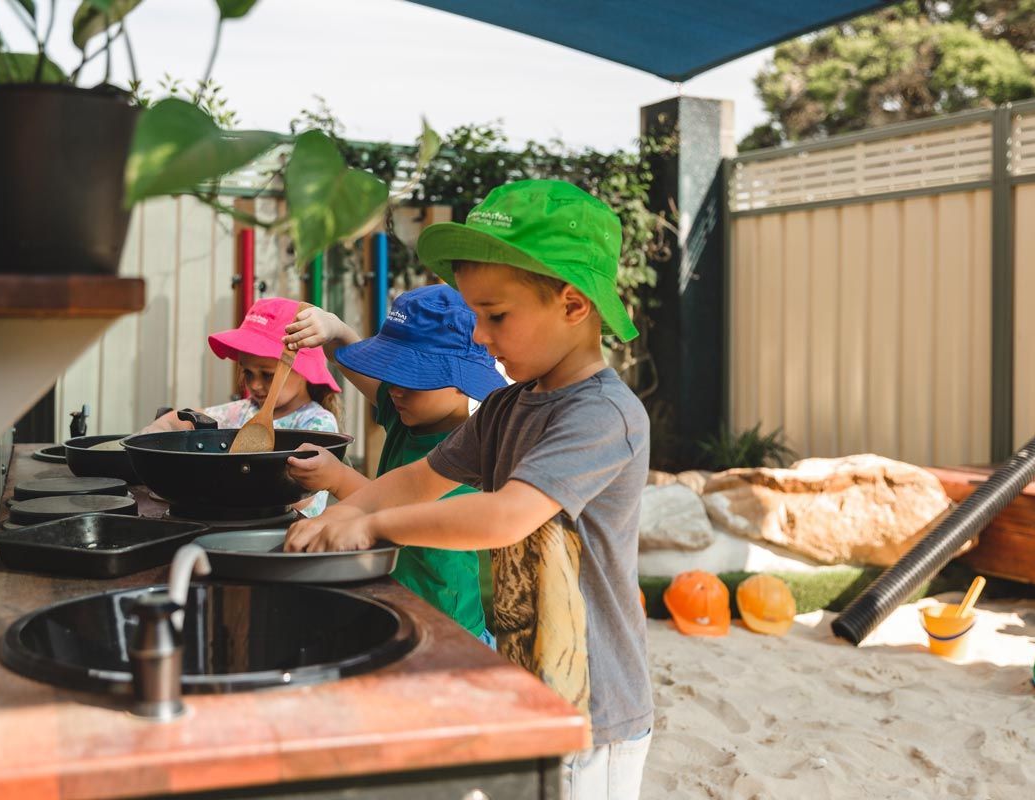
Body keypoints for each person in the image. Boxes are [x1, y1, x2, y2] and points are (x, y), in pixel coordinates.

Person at [284, 180, 653, 799]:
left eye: (496, 315)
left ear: (572, 304)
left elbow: (507, 516)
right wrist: (344, 512)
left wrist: (371, 526)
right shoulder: (508, 406)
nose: (479, 337)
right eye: (475, 315)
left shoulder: (602, 415)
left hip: (589, 711)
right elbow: (419, 479)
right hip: (516, 681)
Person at [281, 284, 505, 644]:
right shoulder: (409, 410)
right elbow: (356, 366)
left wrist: (338, 479)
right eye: (392, 372)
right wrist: (334, 329)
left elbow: (407, 517)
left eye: (413, 379)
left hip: (448, 630)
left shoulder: (469, 450)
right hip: (396, 606)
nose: (395, 388)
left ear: (461, 383)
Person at [143, 296, 341, 516]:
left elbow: (304, 498)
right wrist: (151, 437)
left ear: (305, 371)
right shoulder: (245, 411)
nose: (255, 385)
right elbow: (182, 420)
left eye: (267, 375)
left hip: (290, 533)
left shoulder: (317, 423)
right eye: (248, 372)